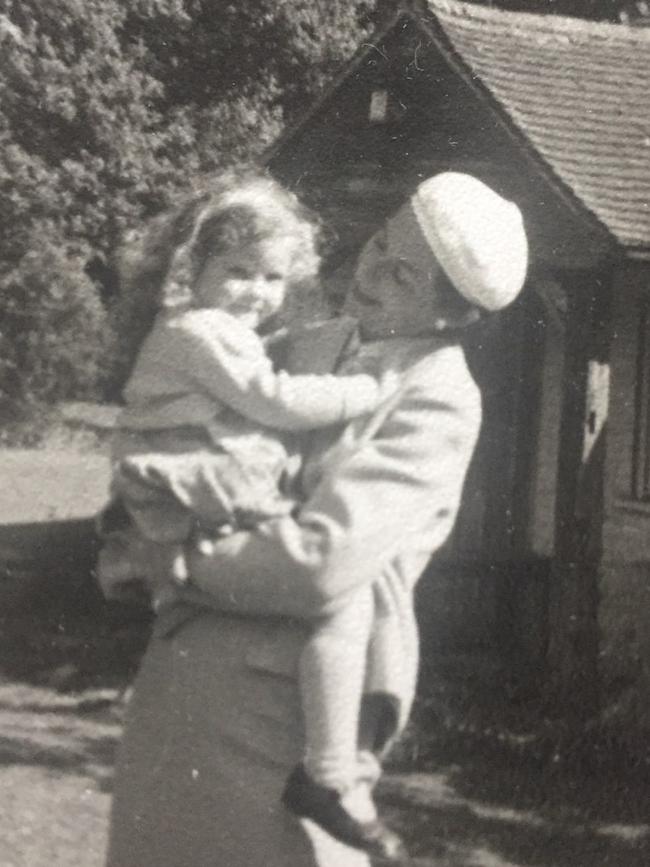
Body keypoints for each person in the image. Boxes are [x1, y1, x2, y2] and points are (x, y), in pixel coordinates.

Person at [100, 171, 528, 867]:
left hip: (288, 710)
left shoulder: (438, 398)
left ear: (452, 314)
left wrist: (173, 559)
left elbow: (320, 565)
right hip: (182, 677)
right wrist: (133, 515)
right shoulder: (306, 344)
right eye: (381, 242)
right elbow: (176, 421)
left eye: (402, 274)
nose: (371, 272)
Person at [99, 169, 405, 855]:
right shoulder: (199, 331)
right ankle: (329, 772)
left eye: (271, 278)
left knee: (338, 602)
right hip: (194, 487)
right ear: (193, 267)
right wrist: (363, 391)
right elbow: (276, 400)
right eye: (237, 271)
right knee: (339, 600)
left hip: (206, 490)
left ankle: (328, 767)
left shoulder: (220, 329)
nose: (256, 293)